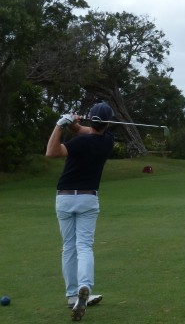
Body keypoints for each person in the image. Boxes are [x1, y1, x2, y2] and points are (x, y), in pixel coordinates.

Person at [46, 102, 115, 321]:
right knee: (84, 245)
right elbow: (87, 131)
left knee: (68, 247)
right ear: (108, 123)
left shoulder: (79, 143)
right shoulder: (107, 141)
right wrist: (73, 124)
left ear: (91, 120)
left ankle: (71, 295)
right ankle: (84, 286)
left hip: (65, 198)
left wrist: (60, 125)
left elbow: (51, 152)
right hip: (88, 198)